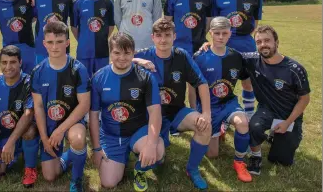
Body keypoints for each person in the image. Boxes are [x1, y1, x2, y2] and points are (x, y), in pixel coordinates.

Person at [199, 25, 311, 175]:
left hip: (288, 115)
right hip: (267, 110)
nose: (263, 44)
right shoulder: (252, 60)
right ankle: (256, 156)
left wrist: (288, 122)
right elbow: (229, 54)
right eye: (259, 42)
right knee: (253, 125)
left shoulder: (294, 69)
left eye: (267, 40)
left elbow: (304, 99)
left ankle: (280, 136)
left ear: (276, 42)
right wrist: (209, 44)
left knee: (281, 160)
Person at [133, 18, 212, 190]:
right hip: (149, 117)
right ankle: (141, 166)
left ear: (174, 36)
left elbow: (202, 83)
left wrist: (206, 113)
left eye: (167, 35)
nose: (163, 40)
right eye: (159, 36)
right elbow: (117, 61)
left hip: (177, 111)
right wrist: (139, 61)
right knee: (158, 157)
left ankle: (192, 169)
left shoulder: (181, 56)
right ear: (152, 37)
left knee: (204, 127)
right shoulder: (144, 54)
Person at [90, 32, 165, 192]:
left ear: (133, 52)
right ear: (110, 52)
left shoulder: (145, 77)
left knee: (157, 150)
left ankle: (140, 168)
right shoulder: (98, 78)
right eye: (117, 53)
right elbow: (94, 116)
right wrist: (96, 148)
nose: (122, 58)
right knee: (108, 182)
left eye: (127, 53)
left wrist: (151, 144)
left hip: (138, 132)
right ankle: (122, 157)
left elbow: (155, 113)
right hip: (111, 135)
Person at [30, 21, 90, 192]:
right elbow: (39, 107)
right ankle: (68, 157)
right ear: (44, 44)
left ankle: (76, 180)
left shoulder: (78, 69)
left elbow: (84, 104)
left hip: (71, 122)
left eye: (59, 41)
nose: (54, 47)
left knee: (78, 139)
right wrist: (44, 138)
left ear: (67, 42)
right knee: (50, 176)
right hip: (49, 124)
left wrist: (60, 130)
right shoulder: (37, 71)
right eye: (50, 42)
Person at [190, 17, 252, 183]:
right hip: (208, 107)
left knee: (243, 122)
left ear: (230, 34)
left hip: (228, 103)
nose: (220, 37)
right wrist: (195, 110)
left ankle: (239, 162)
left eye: (224, 33)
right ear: (210, 33)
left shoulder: (236, 57)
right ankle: (220, 128)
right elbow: (191, 86)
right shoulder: (199, 57)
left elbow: (246, 81)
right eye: (216, 33)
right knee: (212, 154)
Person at [211, 0, 263, 119]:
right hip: (224, 45)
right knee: (223, 82)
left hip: (247, 45)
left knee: (247, 82)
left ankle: (248, 115)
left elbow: (256, 22)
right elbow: (213, 23)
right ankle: (223, 117)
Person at [0, 45, 39, 187]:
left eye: (13, 62)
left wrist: (10, 143)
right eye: (4, 62)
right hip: (4, 136)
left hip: (23, 134)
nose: (8, 67)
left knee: (29, 131)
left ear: (20, 62)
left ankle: (30, 168)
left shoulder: (29, 83)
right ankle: (14, 155)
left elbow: (28, 115)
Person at [71, 0, 115, 77]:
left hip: (102, 51)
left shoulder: (107, 3)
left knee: (101, 81)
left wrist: (101, 37)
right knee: (84, 81)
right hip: (83, 51)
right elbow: (74, 27)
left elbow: (111, 26)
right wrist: (83, 40)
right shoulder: (78, 3)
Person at [33, 0, 74, 64]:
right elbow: (32, 19)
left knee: (62, 77)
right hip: (41, 46)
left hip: (62, 45)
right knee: (43, 76)